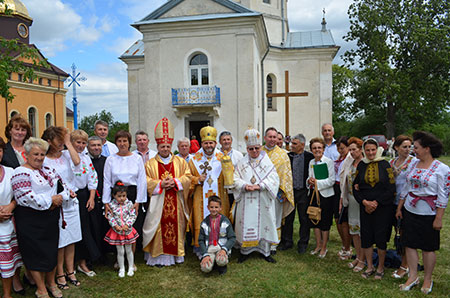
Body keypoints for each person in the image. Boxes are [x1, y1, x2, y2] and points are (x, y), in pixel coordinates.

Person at [11, 137, 69, 298]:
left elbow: (63, 188)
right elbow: (25, 197)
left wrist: (59, 198)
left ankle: (51, 283)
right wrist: (50, 200)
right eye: (35, 154)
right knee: (34, 252)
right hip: (30, 219)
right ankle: (41, 287)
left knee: (51, 251)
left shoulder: (49, 170)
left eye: (42, 154)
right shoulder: (20, 172)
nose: (39, 157)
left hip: (50, 217)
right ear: (26, 155)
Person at [396, 131, 449, 294]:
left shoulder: (442, 169)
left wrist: (438, 218)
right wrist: (399, 207)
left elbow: (444, 194)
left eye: (416, 147)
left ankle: (427, 278)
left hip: (429, 214)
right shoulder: (412, 164)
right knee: (409, 244)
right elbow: (406, 186)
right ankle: (412, 276)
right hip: (410, 211)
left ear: (427, 149)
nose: (413, 150)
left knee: (427, 247)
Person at [142, 117, 192, 267]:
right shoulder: (150, 164)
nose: (165, 149)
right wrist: (160, 184)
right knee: (158, 226)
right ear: (157, 146)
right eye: (162, 146)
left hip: (176, 200)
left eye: (167, 146)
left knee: (176, 227)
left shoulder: (180, 162)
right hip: (158, 203)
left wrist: (176, 182)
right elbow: (145, 180)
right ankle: (158, 257)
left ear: (171, 146)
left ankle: (176, 256)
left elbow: (188, 177)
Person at [42, 126, 82, 290]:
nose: (61, 144)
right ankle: (59, 273)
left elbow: (78, 162)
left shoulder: (67, 155)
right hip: (57, 203)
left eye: (62, 141)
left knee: (71, 239)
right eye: (58, 141)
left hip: (71, 202)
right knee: (60, 241)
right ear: (49, 141)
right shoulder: (44, 159)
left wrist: (68, 143)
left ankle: (70, 270)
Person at [233, 128, 280, 263]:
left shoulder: (266, 161)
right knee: (245, 222)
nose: (254, 151)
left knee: (264, 223)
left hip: (262, 199)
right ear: (247, 149)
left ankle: (265, 252)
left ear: (260, 147)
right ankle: (245, 251)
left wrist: (261, 186)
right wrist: (244, 185)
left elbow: (274, 179)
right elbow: (234, 179)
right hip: (246, 200)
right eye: (251, 149)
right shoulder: (241, 162)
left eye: (257, 148)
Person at [353, 138, 395, 280]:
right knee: (367, 237)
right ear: (364, 150)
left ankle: (380, 267)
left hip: (382, 208)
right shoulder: (361, 165)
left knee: (381, 238)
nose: (370, 153)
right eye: (368, 150)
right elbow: (355, 187)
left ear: (377, 150)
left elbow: (391, 189)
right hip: (365, 208)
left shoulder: (385, 164)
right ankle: (370, 266)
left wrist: (376, 203)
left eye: (373, 150)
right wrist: (365, 202)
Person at [103, 130, 147, 258]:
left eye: (125, 141)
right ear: (116, 142)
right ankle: (119, 257)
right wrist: (106, 202)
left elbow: (142, 180)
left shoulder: (137, 158)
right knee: (118, 223)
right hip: (116, 195)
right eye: (119, 141)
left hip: (132, 194)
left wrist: (139, 201)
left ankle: (131, 257)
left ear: (129, 143)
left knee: (131, 225)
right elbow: (106, 181)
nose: (122, 144)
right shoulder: (111, 159)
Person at [188, 126, 230, 258]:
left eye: (211, 142)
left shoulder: (223, 158)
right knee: (200, 220)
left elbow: (229, 178)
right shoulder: (194, 159)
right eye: (206, 143)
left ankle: (221, 247)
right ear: (202, 144)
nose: (208, 145)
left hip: (219, 196)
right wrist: (197, 179)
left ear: (215, 143)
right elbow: (187, 177)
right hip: (200, 197)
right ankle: (202, 249)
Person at [0, 116, 28, 292]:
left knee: (21, 243)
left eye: (23, 129)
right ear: (10, 130)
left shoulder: (31, 148)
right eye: (16, 129)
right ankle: (14, 279)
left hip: (25, 203)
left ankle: (27, 273)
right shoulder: (5, 150)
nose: (19, 132)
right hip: (7, 201)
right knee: (9, 245)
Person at [70, 130, 101, 277]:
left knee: (85, 229)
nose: (81, 145)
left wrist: (92, 197)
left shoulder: (86, 158)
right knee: (72, 231)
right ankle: (71, 264)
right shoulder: (65, 156)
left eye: (83, 143)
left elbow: (92, 177)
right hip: (70, 197)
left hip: (84, 196)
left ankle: (83, 262)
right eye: (78, 142)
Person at [262, 127, 294, 253]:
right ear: (265, 138)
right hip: (261, 191)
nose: (272, 139)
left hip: (277, 192)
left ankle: (274, 244)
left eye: (274, 137)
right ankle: (262, 242)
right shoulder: (259, 152)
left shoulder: (283, 154)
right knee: (263, 216)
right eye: (270, 137)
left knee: (275, 217)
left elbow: (287, 174)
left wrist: (284, 191)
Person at [283, 134, 314, 253]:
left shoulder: (309, 157)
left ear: (302, 145)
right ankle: (287, 241)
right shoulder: (288, 157)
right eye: (292, 143)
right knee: (288, 217)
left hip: (304, 192)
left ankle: (303, 243)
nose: (292, 146)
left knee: (303, 218)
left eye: (295, 144)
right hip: (291, 191)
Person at [390, 135, 414, 279]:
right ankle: (402, 260)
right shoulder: (391, 162)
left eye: (409, 146)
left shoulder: (414, 162)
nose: (407, 149)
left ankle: (405, 266)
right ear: (396, 148)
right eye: (404, 147)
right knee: (398, 232)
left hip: (407, 203)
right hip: (393, 201)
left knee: (406, 234)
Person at [340, 137, 366, 272]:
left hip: (362, 201)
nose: (352, 152)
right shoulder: (349, 162)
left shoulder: (366, 163)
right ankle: (358, 256)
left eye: (354, 150)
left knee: (362, 230)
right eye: (350, 150)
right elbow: (343, 178)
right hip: (351, 200)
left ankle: (363, 259)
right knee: (354, 230)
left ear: (361, 150)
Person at [306, 137, 335, 258]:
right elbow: (308, 178)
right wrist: (309, 181)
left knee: (324, 222)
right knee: (314, 220)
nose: (317, 150)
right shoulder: (311, 162)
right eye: (314, 148)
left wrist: (316, 182)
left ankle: (324, 247)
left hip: (326, 196)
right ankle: (318, 245)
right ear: (311, 150)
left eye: (319, 147)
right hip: (313, 195)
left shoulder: (328, 162)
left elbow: (331, 180)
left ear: (323, 149)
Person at [104, 181, 139, 277]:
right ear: (114, 195)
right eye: (119, 196)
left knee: (128, 250)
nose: (122, 198)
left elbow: (133, 215)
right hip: (117, 231)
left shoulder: (129, 204)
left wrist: (128, 224)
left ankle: (131, 267)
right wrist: (115, 225)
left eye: (124, 196)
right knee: (120, 251)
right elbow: (110, 216)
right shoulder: (111, 205)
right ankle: (122, 268)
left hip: (127, 231)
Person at [87, 136, 113, 258]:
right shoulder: (85, 161)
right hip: (90, 199)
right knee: (93, 227)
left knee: (105, 225)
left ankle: (106, 253)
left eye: (98, 145)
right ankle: (94, 255)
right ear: (88, 147)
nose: (96, 148)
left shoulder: (107, 160)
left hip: (105, 197)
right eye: (93, 145)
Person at [198, 196, 235, 275]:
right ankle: (212, 261)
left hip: (221, 247)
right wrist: (205, 254)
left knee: (221, 260)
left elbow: (232, 238)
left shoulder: (225, 221)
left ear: (220, 208)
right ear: (208, 207)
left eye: (216, 207)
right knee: (205, 268)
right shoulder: (204, 222)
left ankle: (222, 265)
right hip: (210, 248)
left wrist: (224, 249)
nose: (214, 209)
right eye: (211, 207)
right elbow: (201, 240)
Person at [334, 137, 352, 260]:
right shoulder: (340, 158)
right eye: (338, 148)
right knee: (337, 219)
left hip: (344, 190)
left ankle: (348, 248)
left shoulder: (350, 159)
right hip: (336, 187)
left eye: (343, 148)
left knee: (344, 221)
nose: (340, 150)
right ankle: (344, 244)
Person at [218, 131, 243, 207]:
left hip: (234, 190)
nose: (226, 142)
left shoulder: (238, 155)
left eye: (228, 139)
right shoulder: (216, 155)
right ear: (220, 142)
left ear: (231, 141)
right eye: (224, 140)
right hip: (220, 189)